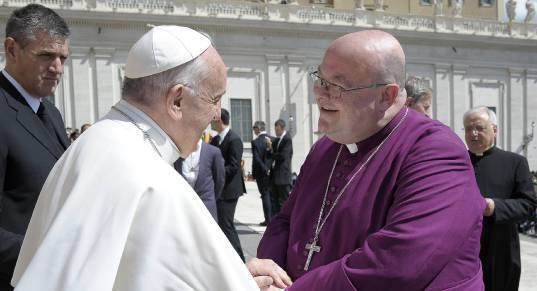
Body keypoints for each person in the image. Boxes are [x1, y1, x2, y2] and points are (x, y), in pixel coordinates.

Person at [11, 25, 291, 291]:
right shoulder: (145, 175)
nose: (217, 114)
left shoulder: (97, 142)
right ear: (177, 100)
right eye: (214, 99)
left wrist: (234, 275)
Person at [256, 30, 485, 290]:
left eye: (338, 85)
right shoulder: (325, 148)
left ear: (386, 95)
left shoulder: (436, 152)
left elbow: (398, 262)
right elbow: (285, 221)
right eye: (320, 78)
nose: (320, 93)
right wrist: (269, 273)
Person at [0, 4, 70, 290]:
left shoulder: (50, 114)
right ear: (11, 49)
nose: (58, 68)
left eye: (63, 57)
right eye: (46, 56)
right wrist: (46, 255)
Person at [463, 106, 537, 291]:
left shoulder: (515, 163)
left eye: (479, 128)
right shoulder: (456, 161)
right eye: (468, 128)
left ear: (494, 130)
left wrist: (494, 207)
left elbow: (528, 204)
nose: (473, 133)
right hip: (463, 251)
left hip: (502, 249)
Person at [210, 108, 247, 261]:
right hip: (220, 189)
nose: (210, 122)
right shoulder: (216, 139)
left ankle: (239, 259)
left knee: (226, 224)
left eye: (212, 119)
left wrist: (215, 172)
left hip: (230, 190)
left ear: (219, 119)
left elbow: (233, 166)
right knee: (220, 224)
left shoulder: (234, 139)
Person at [174, 138, 225, 221]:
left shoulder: (213, 152)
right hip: (183, 209)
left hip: (206, 208)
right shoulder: (177, 152)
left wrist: (210, 197)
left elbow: (219, 180)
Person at [265, 119, 293, 216]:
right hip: (275, 176)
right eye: (275, 130)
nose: (276, 132)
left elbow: (283, 156)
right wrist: (269, 147)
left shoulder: (287, 139)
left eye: (277, 130)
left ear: (283, 128)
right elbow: (269, 155)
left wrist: (272, 152)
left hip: (283, 176)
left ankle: (288, 220)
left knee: (285, 200)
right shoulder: (278, 140)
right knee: (275, 201)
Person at [251, 121, 273, 226]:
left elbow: (257, 159)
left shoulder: (256, 142)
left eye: (254, 127)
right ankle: (272, 218)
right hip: (272, 172)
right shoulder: (272, 139)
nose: (253, 130)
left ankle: (268, 219)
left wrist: (265, 169)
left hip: (262, 173)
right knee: (271, 195)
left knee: (265, 195)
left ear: (258, 128)